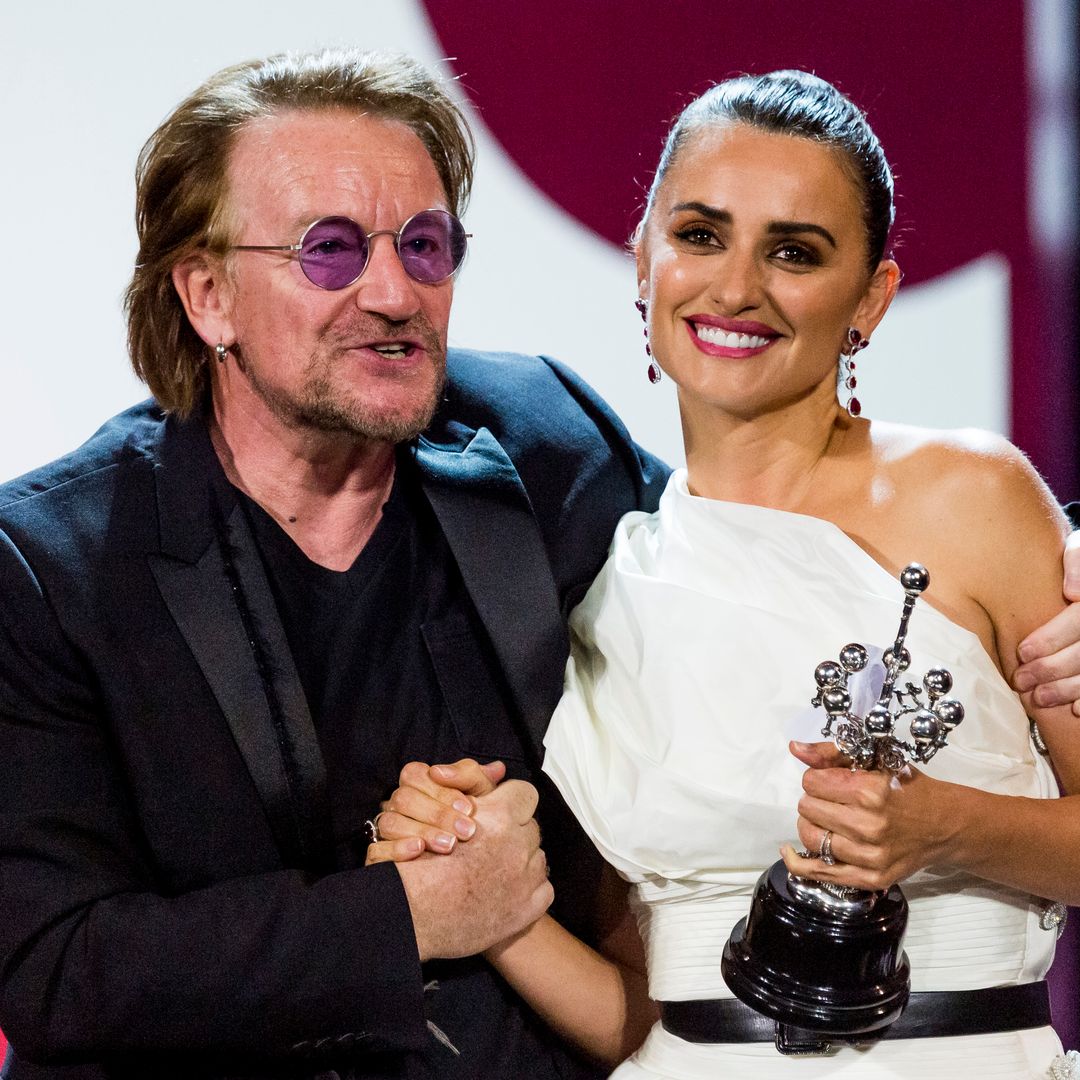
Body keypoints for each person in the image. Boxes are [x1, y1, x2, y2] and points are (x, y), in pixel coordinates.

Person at [372, 71, 1080, 1078]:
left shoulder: (971, 497)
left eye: (794, 251)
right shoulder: (613, 593)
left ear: (872, 295)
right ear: (643, 260)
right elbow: (655, 1021)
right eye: (700, 235)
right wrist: (490, 904)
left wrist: (949, 830)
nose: (736, 286)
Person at [0, 48, 670, 1080]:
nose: (396, 292)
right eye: (330, 251)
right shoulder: (49, 564)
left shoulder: (549, 442)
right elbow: (58, 969)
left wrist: (1000, 630)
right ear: (208, 294)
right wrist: (412, 914)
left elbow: (752, 581)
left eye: (427, 245)